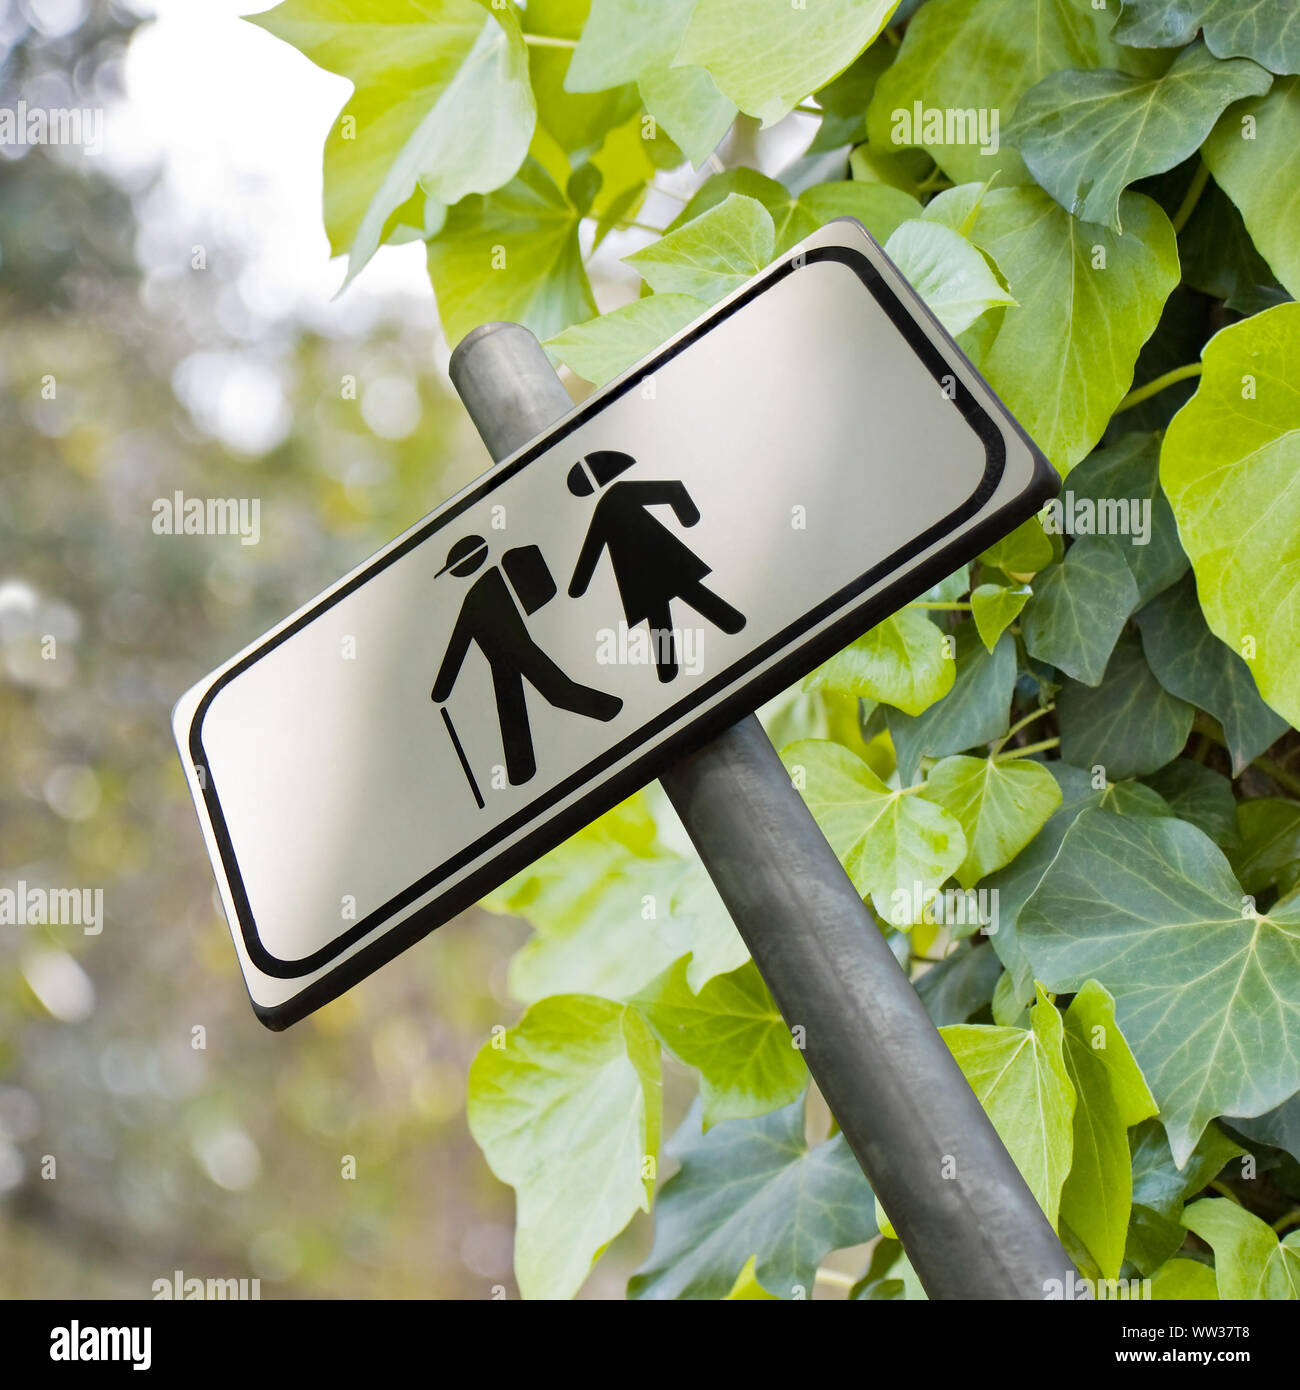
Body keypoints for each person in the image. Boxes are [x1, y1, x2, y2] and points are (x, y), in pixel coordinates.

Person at [431, 534, 621, 788]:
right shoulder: (489, 583)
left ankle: (608, 708)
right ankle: (521, 770)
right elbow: (460, 643)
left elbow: (458, 645)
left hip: (517, 651)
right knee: (514, 711)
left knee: (555, 693)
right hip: (503, 661)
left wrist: (442, 690)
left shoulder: (479, 592)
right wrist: (440, 691)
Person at [567, 451, 746, 683]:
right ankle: (730, 623)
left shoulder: (607, 504)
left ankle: (670, 667)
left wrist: (578, 587)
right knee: (687, 595)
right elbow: (673, 491)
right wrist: (688, 516)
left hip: (640, 571)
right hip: (661, 558)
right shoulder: (619, 494)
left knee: (661, 612)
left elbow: (591, 550)